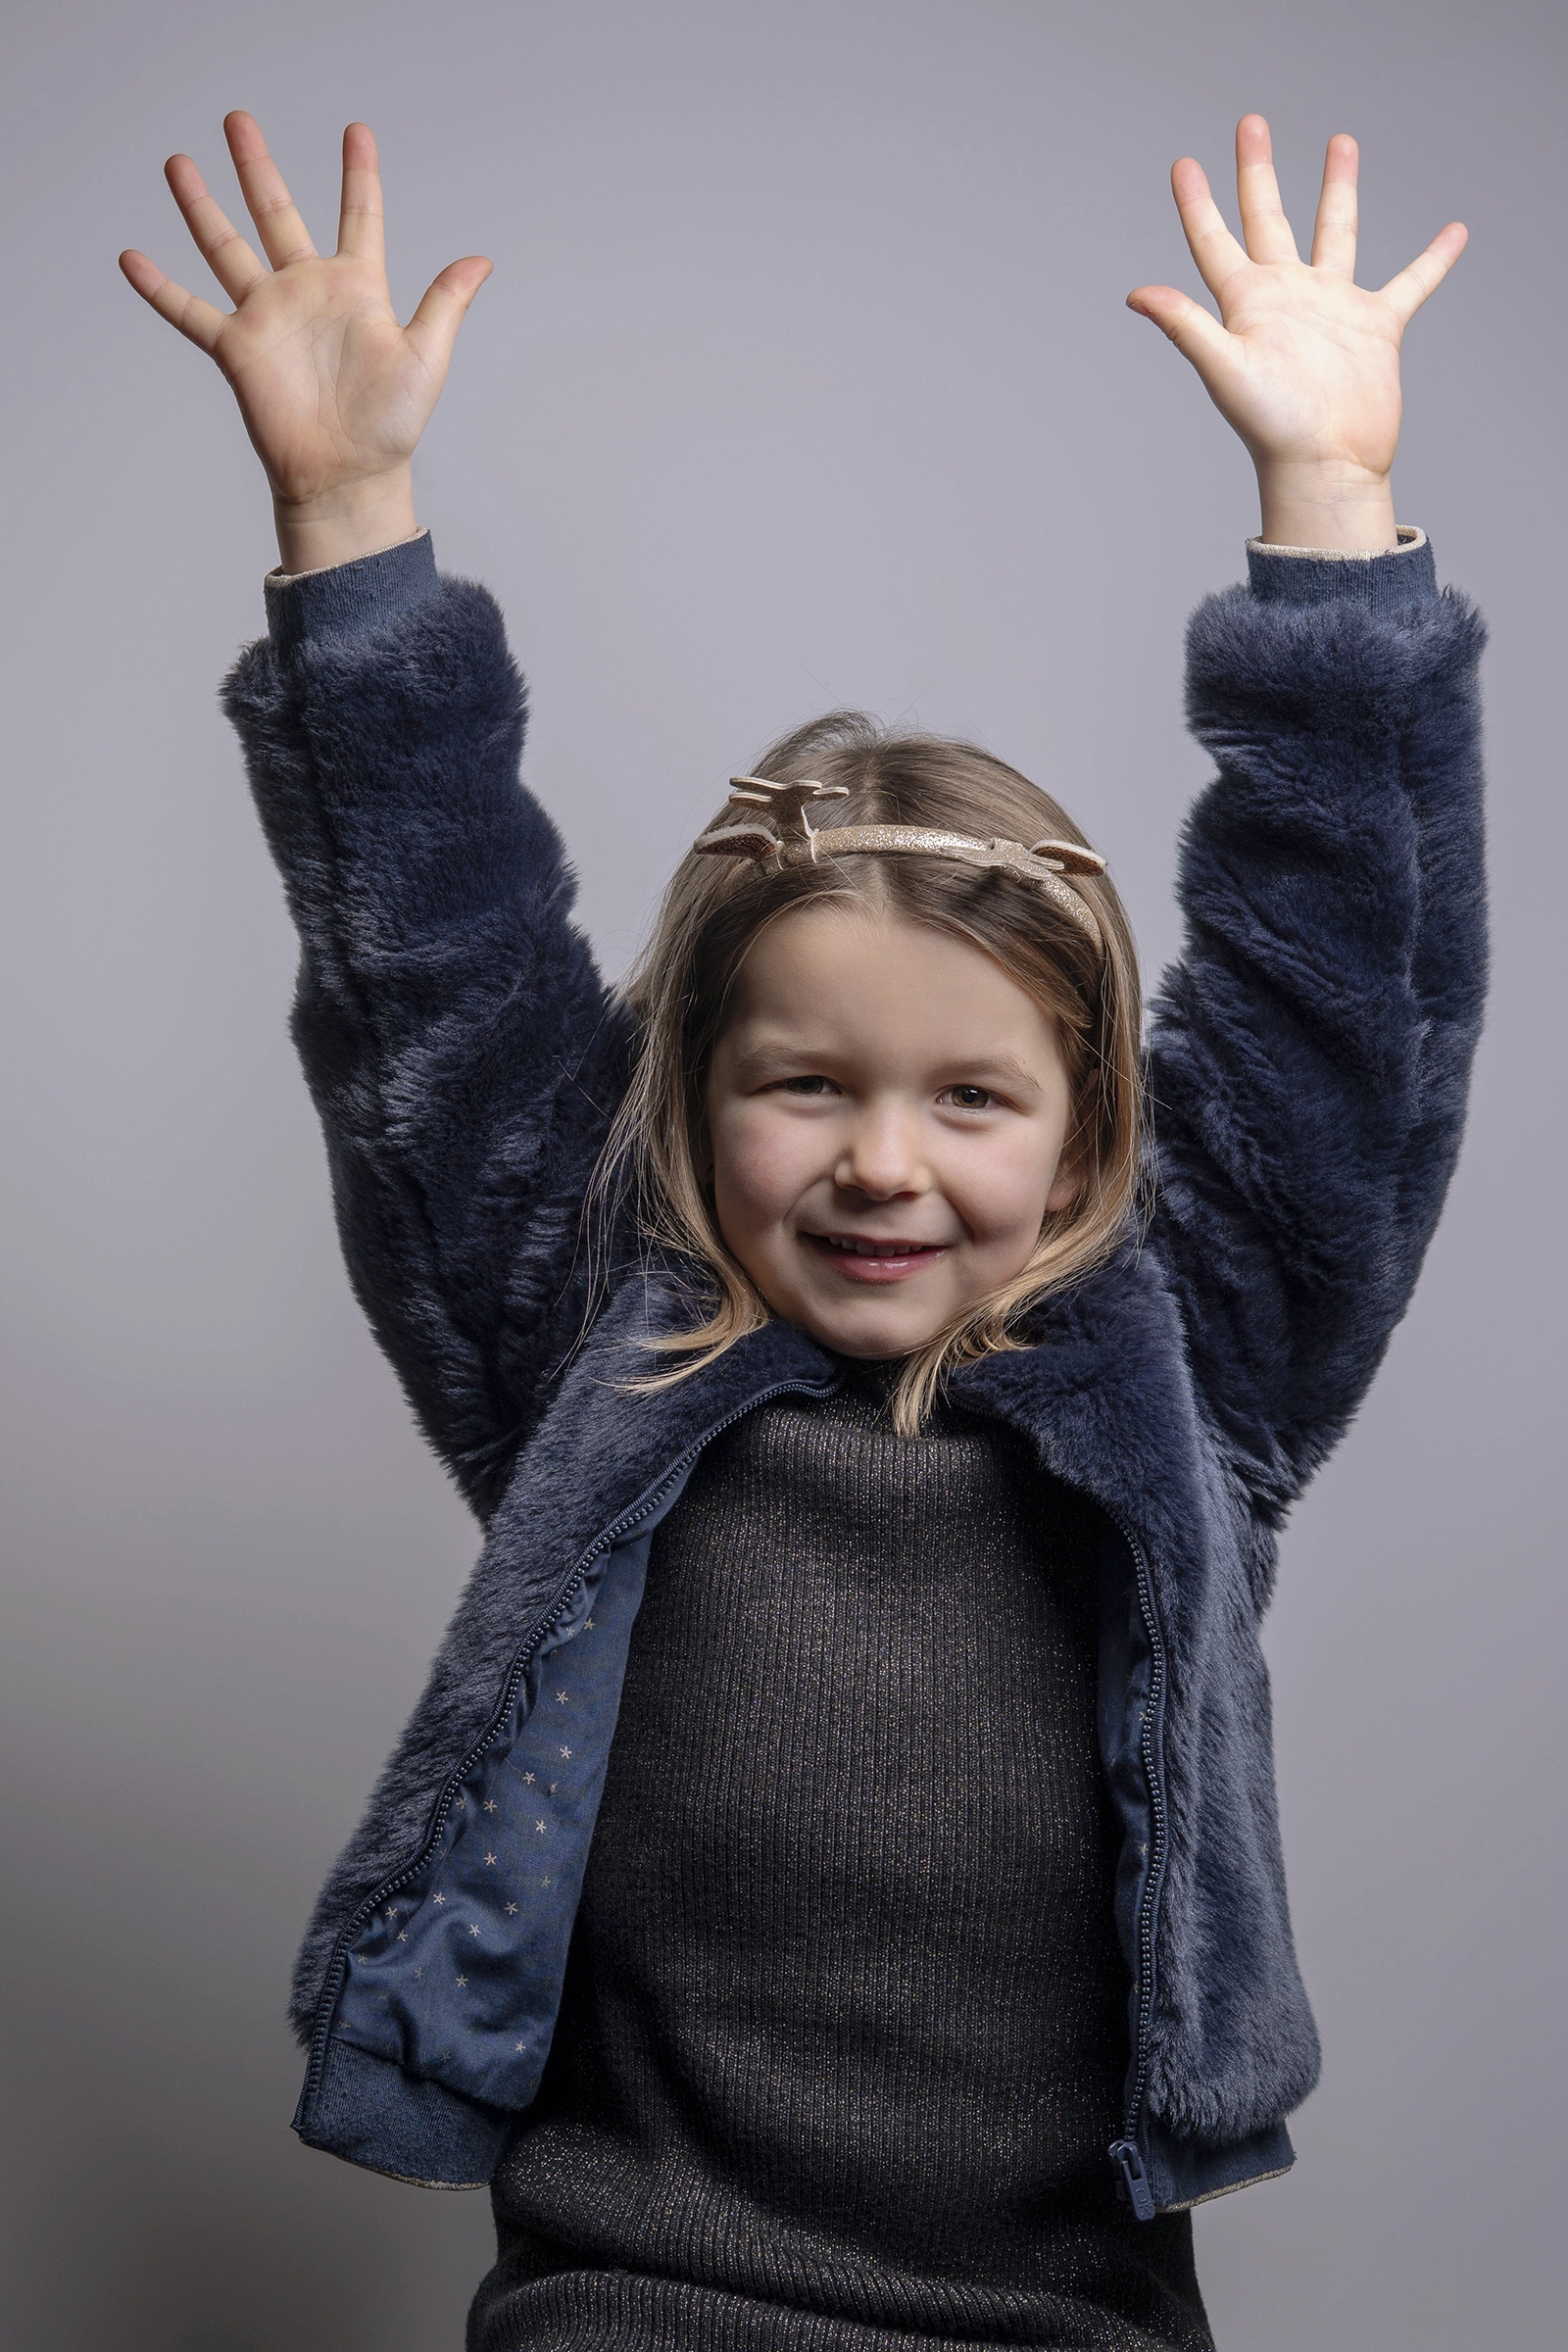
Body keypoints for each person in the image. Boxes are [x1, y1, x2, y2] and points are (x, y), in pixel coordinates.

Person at [121, 107, 1484, 2351]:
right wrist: (346, 515)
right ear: (693, 1100)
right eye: (802, 1086)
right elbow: (430, 970)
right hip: (628, 2318)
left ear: (1083, 1139)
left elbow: (1363, 996)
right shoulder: (597, 1349)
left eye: (967, 1098)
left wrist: (1328, 523)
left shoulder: (1194, 1373)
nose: (879, 1163)